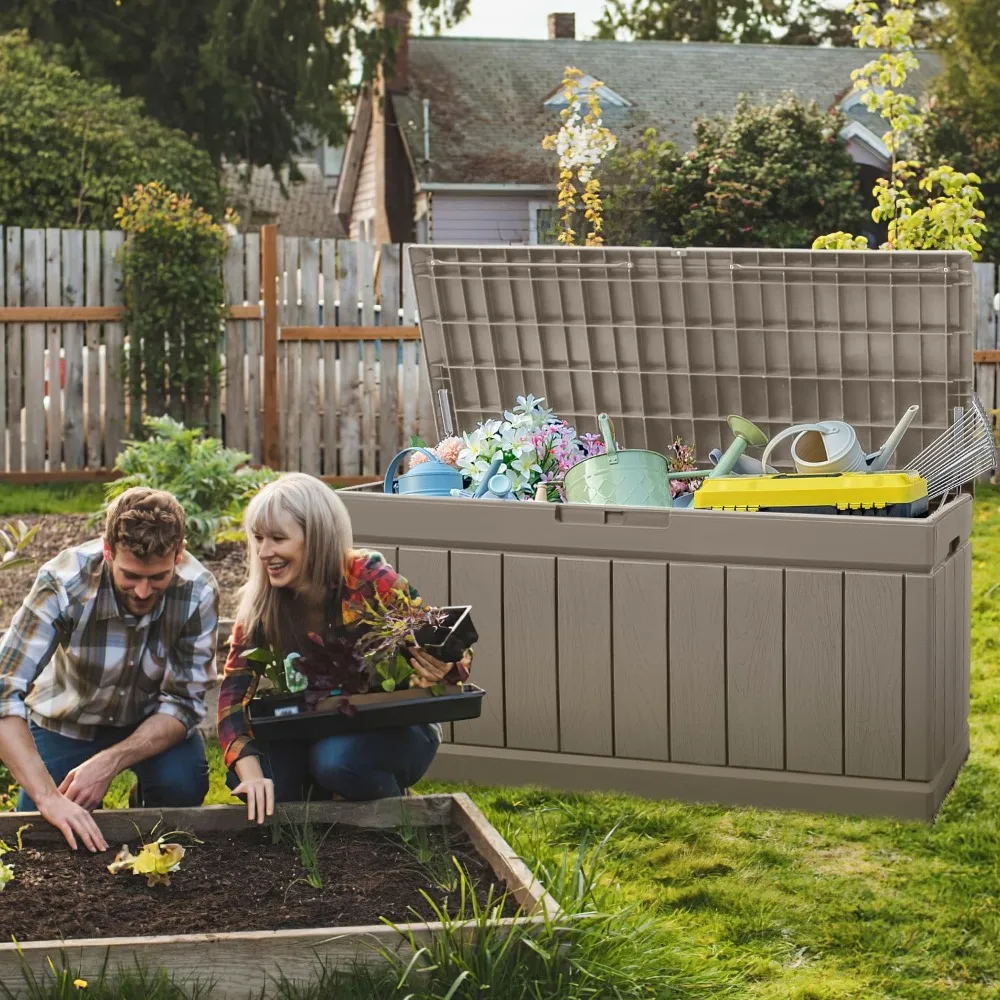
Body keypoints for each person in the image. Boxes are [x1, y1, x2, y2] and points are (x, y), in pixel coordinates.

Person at [217, 472, 474, 824]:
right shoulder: (263, 604)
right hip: (314, 725)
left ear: (317, 537)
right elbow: (232, 699)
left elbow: (445, 642)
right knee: (266, 782)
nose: (264, 552)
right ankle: (331, 815)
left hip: (391, 728)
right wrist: (251, 775)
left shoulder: (369, 580)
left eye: (278, 538)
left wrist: (444, 666)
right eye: (259, 538)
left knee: (338, 762)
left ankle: (397, 816)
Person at [0, 487, 220, 853]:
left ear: (178, 555)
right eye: (131, 575)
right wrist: (48, 797)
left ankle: (145, 799)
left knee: (181, 787)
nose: (144, 591)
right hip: (67, 719)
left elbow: (183, 702)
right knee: (43, 836)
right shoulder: (64, 584)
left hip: (148, 719)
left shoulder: (198, 591)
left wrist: (108, 763)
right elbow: (4, 688)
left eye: (158, 577)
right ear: (107, 551)